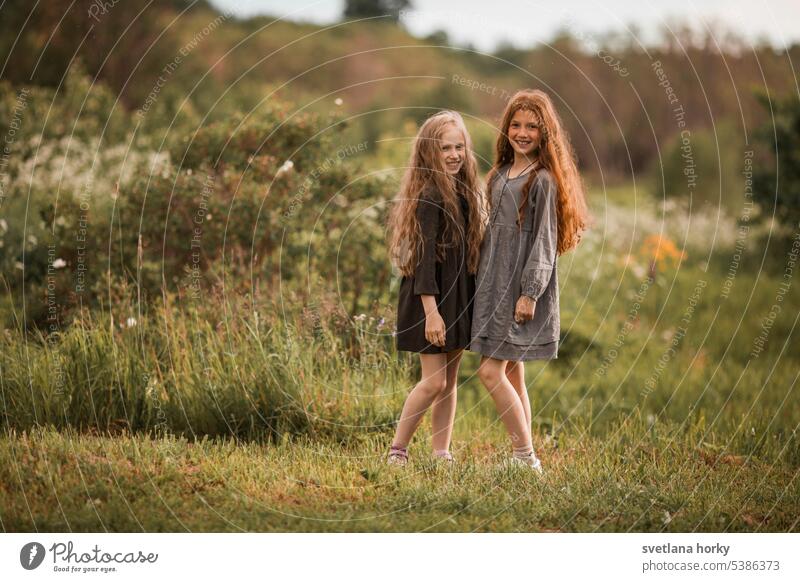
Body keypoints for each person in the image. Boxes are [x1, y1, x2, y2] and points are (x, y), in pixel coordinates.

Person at [470, 89, 589, 472]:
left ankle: (525, 458)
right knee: (511, 370)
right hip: (492, 281)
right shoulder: (500, 174)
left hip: (518, 286)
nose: (522, 133)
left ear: (545, 133)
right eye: (515, 125)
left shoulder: (543, 181)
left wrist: (531, 292)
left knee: (490, 371)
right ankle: (525, 452)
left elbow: (544, 240)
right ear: (506, 128)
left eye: (532, 127)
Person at [386, 111, 485, 466]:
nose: (455, 154)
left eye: (459, 146)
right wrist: (432, 312)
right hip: (430, 298)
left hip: (458, 296)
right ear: (430, 152)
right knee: (433, 382)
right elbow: (425, 260)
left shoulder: (463, 191)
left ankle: (441, 451)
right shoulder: (430, 195)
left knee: (451, 380)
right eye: (445, 148)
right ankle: (397, 450)